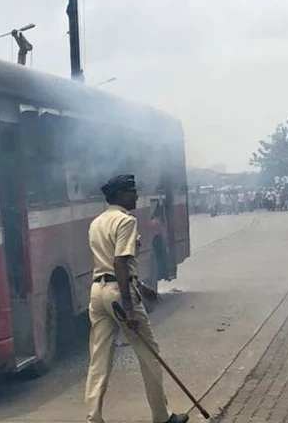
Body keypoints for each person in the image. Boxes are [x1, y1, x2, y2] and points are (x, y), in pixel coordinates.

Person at [85, 175, 188, 423]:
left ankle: (93, 418)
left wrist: (142, 286)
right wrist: (130, 310)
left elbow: (109, 265)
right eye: (131, 190)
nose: (136, 194)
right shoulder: (125, 221)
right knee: (149, 354)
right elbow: (120, 262)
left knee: (99, 360)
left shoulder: (96, 223)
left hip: (97, 294)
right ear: (120, 194)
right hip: (119, 296)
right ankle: (162, 418)